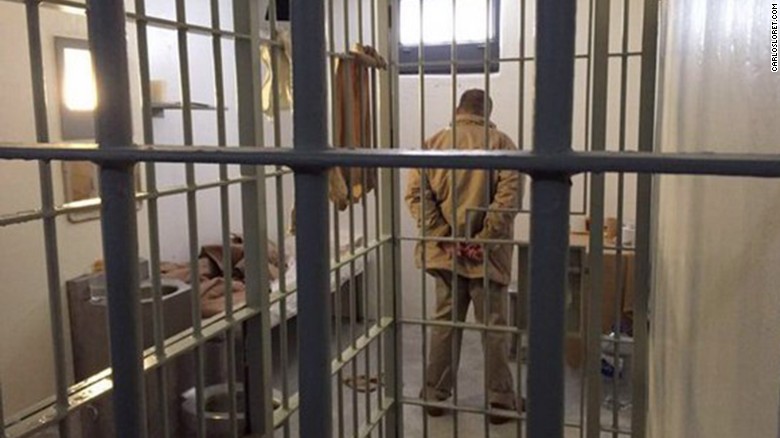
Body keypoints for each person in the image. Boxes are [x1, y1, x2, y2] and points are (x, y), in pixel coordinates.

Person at [404, 89, 523, 424]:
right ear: (487, 112)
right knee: (494, 328)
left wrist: (446, 237)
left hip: (445, 255)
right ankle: (500, 402)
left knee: (444, 323)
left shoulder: (433, 144)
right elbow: (508, 201)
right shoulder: (502, 144)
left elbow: (415, 195)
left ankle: (434, 395)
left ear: (458, 109)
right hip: (488, 257)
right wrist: (483, 241)